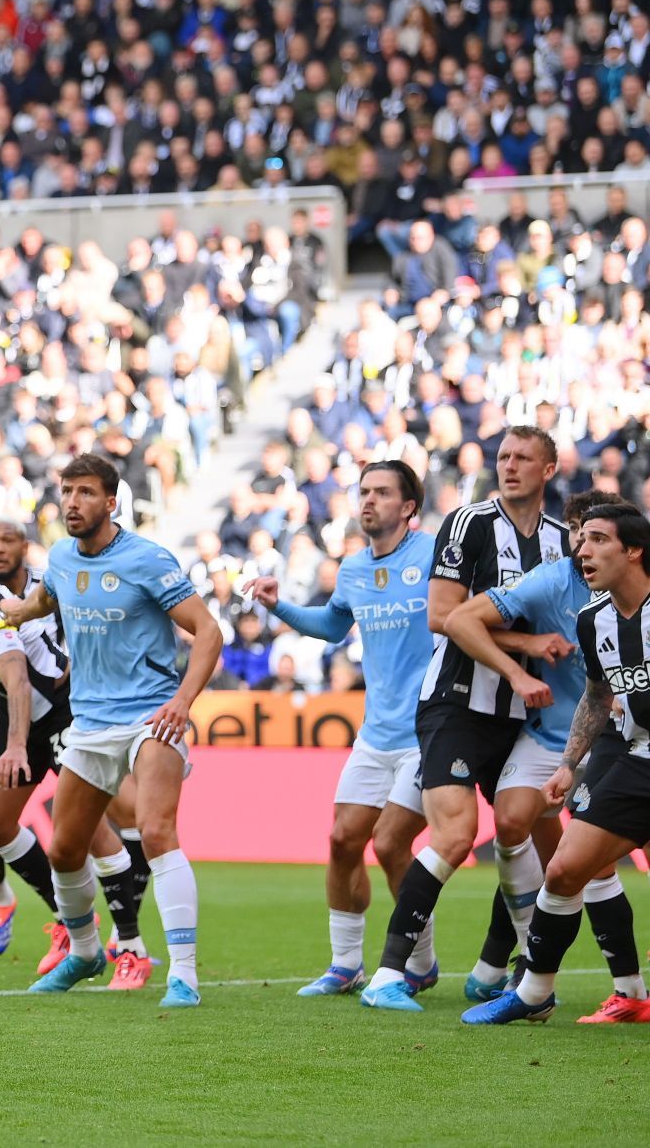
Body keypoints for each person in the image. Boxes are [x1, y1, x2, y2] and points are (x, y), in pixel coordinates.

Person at [0, 453, 223, 1008]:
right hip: (90, 725)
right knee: (65, 850)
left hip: (149, 718)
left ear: (111, 501)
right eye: (67, 491)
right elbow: (49, 595)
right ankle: (85, 952)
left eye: (85, 493)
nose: (72, 502)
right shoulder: (60, 558)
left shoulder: (148, 560)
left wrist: (183, 701)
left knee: (155, 831)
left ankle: (184, 976)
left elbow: (208, 631)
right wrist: (20, 613)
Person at [362, 427, 569, 1012]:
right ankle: (388, 975)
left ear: (548, 469)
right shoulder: (468, 523)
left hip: (525, 718)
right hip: (454, 703)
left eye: (523, 458)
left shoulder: (562, 541)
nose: (509, 466)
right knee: (450, 836)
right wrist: (523, 657)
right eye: (503, 456)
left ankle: (497, 969)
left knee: (529, 837)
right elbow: (444, 616)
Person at [437, 493, 648, 1019]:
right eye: (581, 538)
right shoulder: (594, 619)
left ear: (635, 552)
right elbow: (598, 696)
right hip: (636, 757)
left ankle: (629, 991)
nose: (583, 549)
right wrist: (568, 764)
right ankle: (533, 995)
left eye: (599, 540)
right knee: (564, 871)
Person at [246, 461, 437, 997]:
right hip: (376, 734)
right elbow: (332, 627)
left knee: (392, 844)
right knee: (341, 840)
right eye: (364, 491)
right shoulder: (352, 569)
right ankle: (345, 965)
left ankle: (417, 964)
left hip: (428, 732)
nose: (368, 500)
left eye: (381, 492)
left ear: (408, 507)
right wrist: (278, 604)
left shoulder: (434, 555)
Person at [0, 518, 153, 990]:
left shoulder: (43, 587)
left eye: (6, 540)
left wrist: (83, 661)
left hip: (61, 710)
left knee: (100, 827)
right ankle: (71, 924)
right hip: (13, 713)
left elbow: (26, 662)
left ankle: (131, 947)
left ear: (24, 547)